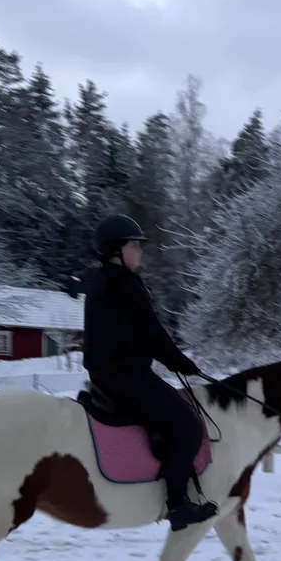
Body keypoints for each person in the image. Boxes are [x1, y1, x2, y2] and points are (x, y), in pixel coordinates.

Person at [82, 213, 218, 531]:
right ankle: (178, 505)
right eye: (134, 246)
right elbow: (152, 333)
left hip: (110, 374)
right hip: (125, 376)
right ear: (116, 250)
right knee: (187, 425)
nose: (140, 252)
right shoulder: (126, 284)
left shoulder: (101, 281)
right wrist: (182, 363)